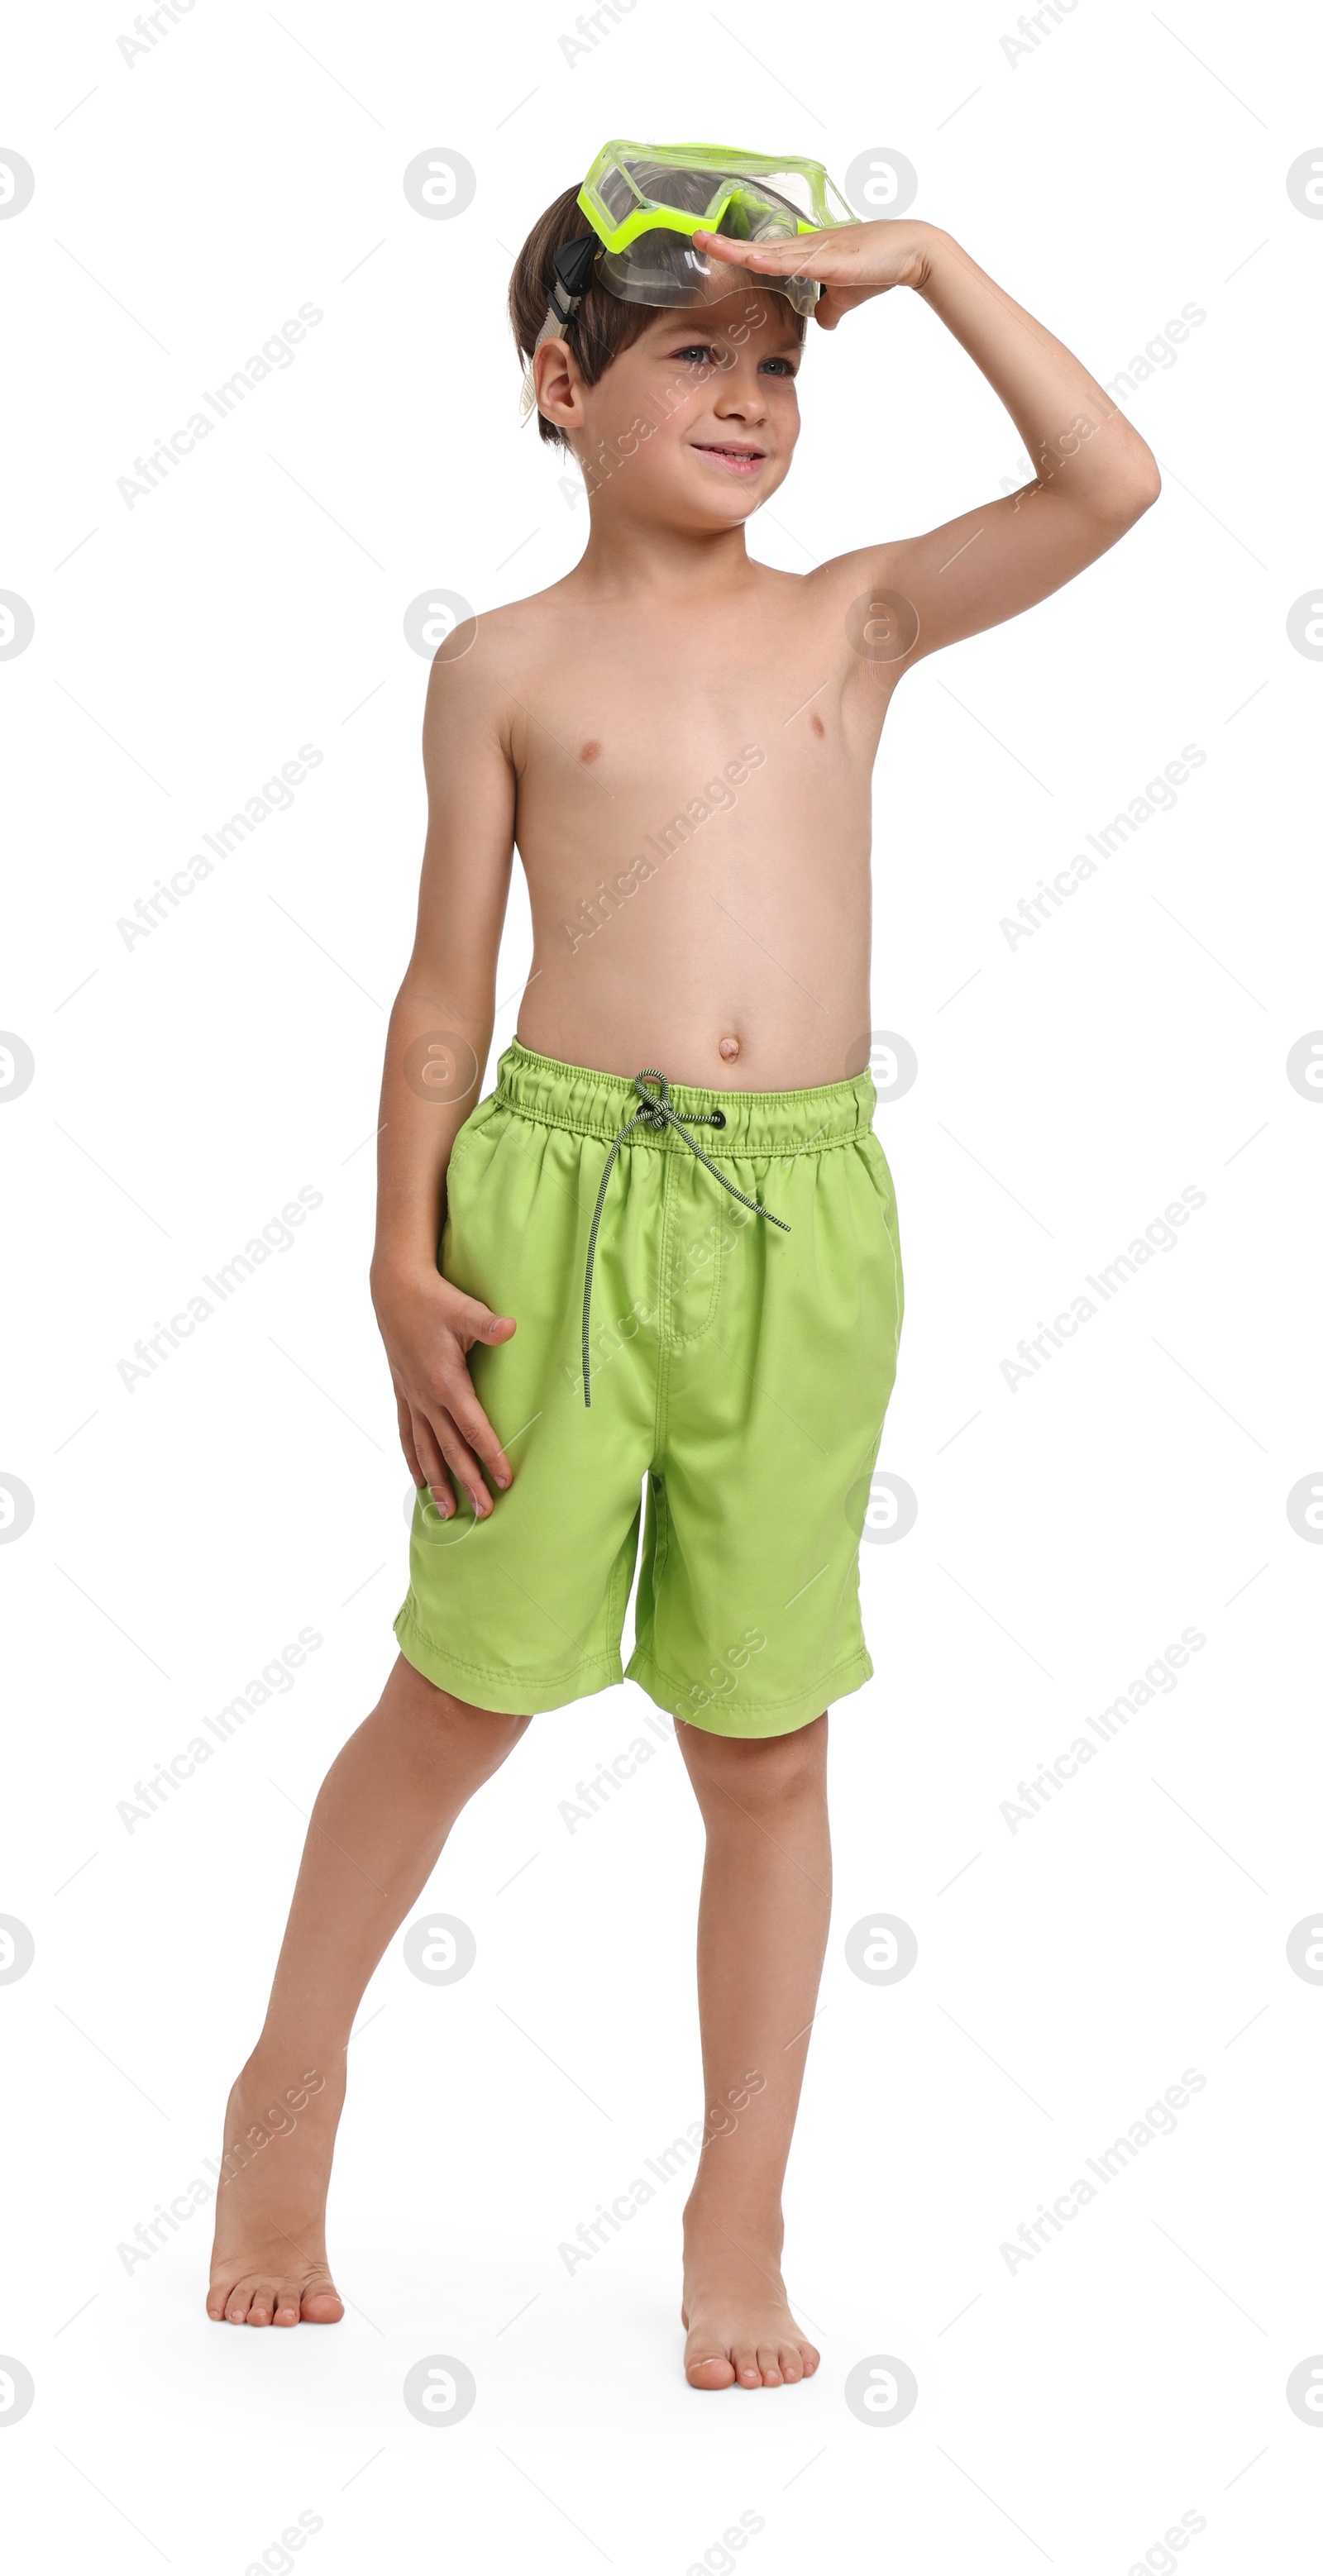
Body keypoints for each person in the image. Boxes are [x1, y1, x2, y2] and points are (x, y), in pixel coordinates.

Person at [208, 143, 1159, 2386]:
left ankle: (739, 2213)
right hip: (548, 1212)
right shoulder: (509, 666)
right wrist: (392, 1248)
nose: (747, 398)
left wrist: (921, 261)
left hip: (799, 1224)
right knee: (464, 1690)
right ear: (559, 380)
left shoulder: (855, 618)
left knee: (766, 1742)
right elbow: (444, 992)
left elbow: (1111, 482)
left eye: (776, 362)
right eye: (690, 357)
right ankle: (288, 2084)